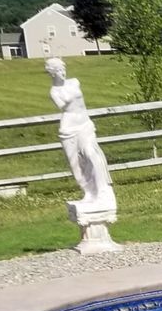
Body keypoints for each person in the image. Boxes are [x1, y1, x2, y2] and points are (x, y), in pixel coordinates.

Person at [46, 57, 114, 209]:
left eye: (63, 69)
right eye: (59, 71)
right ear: (52, 73)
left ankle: (103, 189)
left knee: (91, 153)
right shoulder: (54, 92)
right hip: (69, 128)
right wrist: (65, 94)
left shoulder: (74, 82)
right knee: (76, 163)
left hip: (84, 124)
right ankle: (89, 192)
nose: (63, 73)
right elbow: (62, 106)